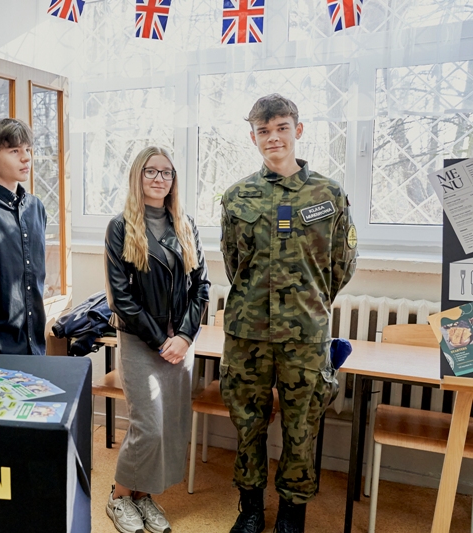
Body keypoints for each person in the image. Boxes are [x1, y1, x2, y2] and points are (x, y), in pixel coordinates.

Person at [219, 94, 357, 533]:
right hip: (248, 333)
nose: (273, 137)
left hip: (305, 333)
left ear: (297, 130)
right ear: (253, 137)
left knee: (302, 426)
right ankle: (251, 509)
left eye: (281, 128)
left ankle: (292, 515)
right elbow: (233, 263)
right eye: (263, 130)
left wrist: (308, 302)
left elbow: (341, 265)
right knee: (248, 424)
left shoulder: (329, 194)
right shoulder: (237, 196)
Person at [104, 146, 210, 533]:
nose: (159, 178)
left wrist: (184, 336)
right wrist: (159, 340)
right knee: (147, 426)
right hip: (140, 339)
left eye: (167, 172)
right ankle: (119, 497)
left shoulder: (186, 224)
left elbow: (202, 286)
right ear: (138, 175)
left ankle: (143, 495)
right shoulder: (120, 226)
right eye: (151, 171)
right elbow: (121, 297)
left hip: (180, 341)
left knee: (169, 427)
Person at [0, 118, 47, 355]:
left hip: (35, 343)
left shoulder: (36, 207)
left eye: (28, 149)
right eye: (15, 151)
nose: (26, 158)